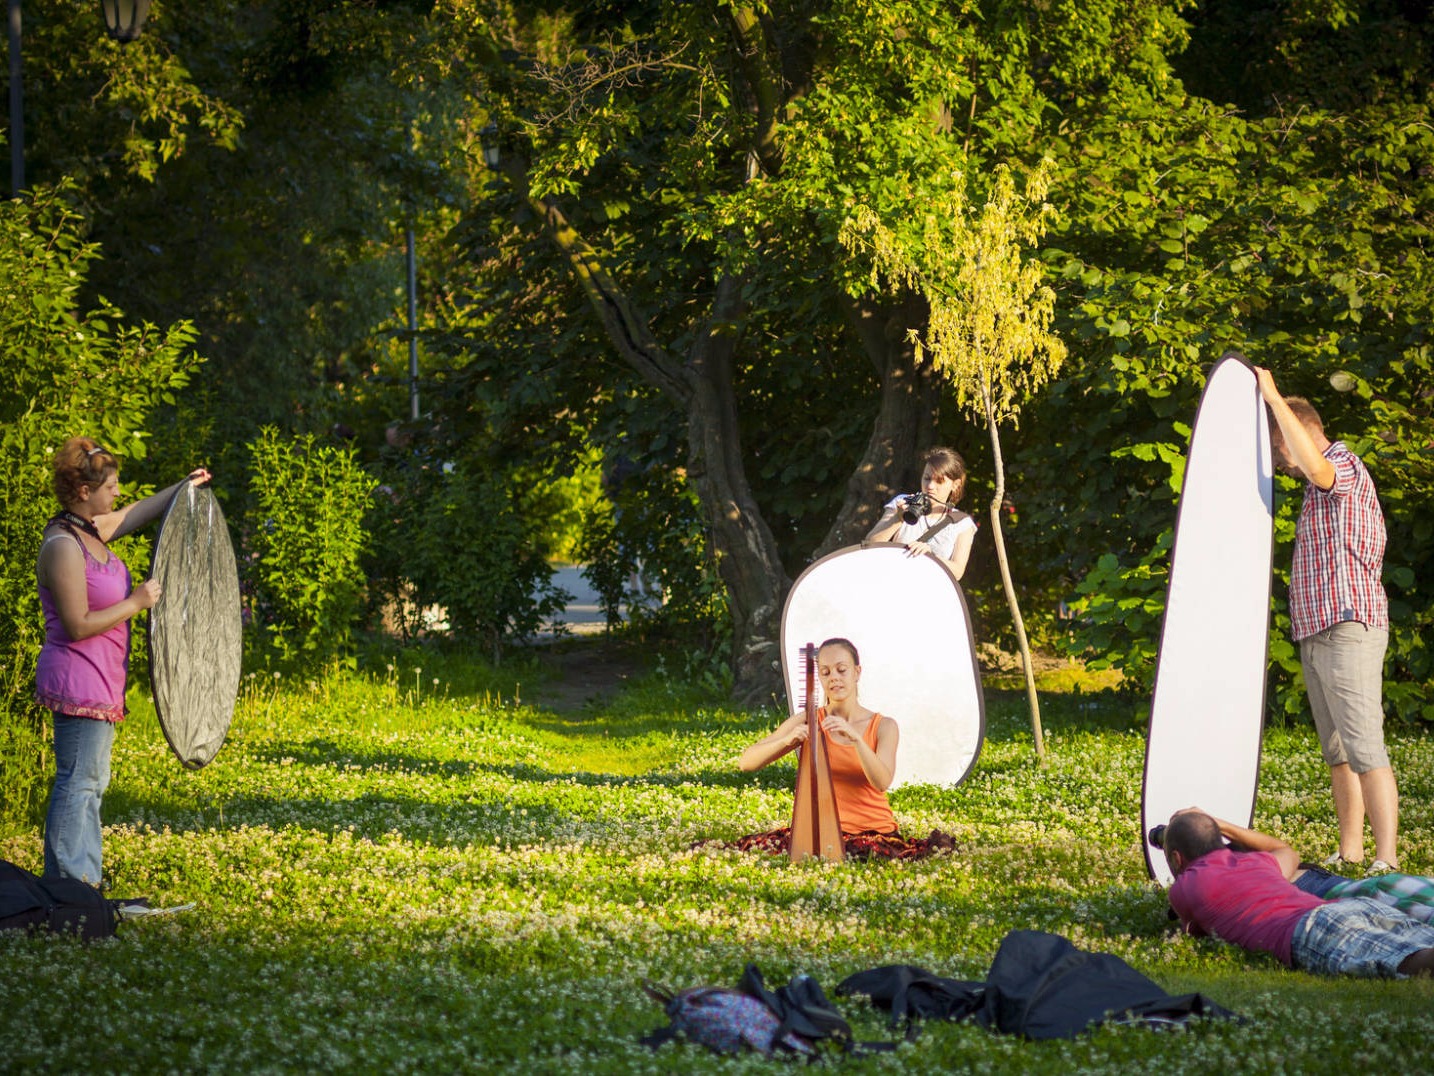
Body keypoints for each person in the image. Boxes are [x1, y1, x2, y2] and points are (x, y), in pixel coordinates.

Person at [36, 437, 211, 887]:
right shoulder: (62, 545)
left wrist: (182, 487)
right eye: (110, 486)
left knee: (91, 783)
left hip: (100, 682)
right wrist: (136, 602)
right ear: (82, 491)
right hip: (77, 680)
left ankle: (82, 883)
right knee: (78, 783)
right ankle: (69, 887)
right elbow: (76, 624)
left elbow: (135, 514)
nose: (117, 493)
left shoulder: (90, 533)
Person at [1256, 367, 1398, 874]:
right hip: (1316, 630)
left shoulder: (1343, 467)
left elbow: (1316, 468)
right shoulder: (1314, 491)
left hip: (1348, 625)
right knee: (1338, 753)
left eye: (1278, 444)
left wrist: (1272, 398)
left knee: (1365, 747)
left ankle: (1386, 859)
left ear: (1304, 429)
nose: (1278, 458)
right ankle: (1351, 851)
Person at [1160, 808, 1434, 978]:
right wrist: (1224, 826)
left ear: (1176, 858)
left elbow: (1193, 931)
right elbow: (1287, 851)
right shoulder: (1255, 861)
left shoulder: (1184, 887)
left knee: (1409, 962)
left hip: (1313, 928)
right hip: (1350, 907)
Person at [739, 638, 899, 837]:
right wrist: (786, 741)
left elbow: (882, 782)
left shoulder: (885, 726)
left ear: (857, 672)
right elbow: (746, 763)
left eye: (841, 670)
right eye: (825, 672)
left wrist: (856, 739)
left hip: (875, 833)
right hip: (822, 835)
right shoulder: (809, 720)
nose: (834, 677)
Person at [866, 447, 977, 581]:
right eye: (927, 478)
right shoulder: (902, 502)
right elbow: (870, 544)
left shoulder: (962, 523)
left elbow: (957, 572)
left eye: (939, 481)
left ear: (955, 485)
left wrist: (930, 556)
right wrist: (898, 519)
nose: (930, 486)